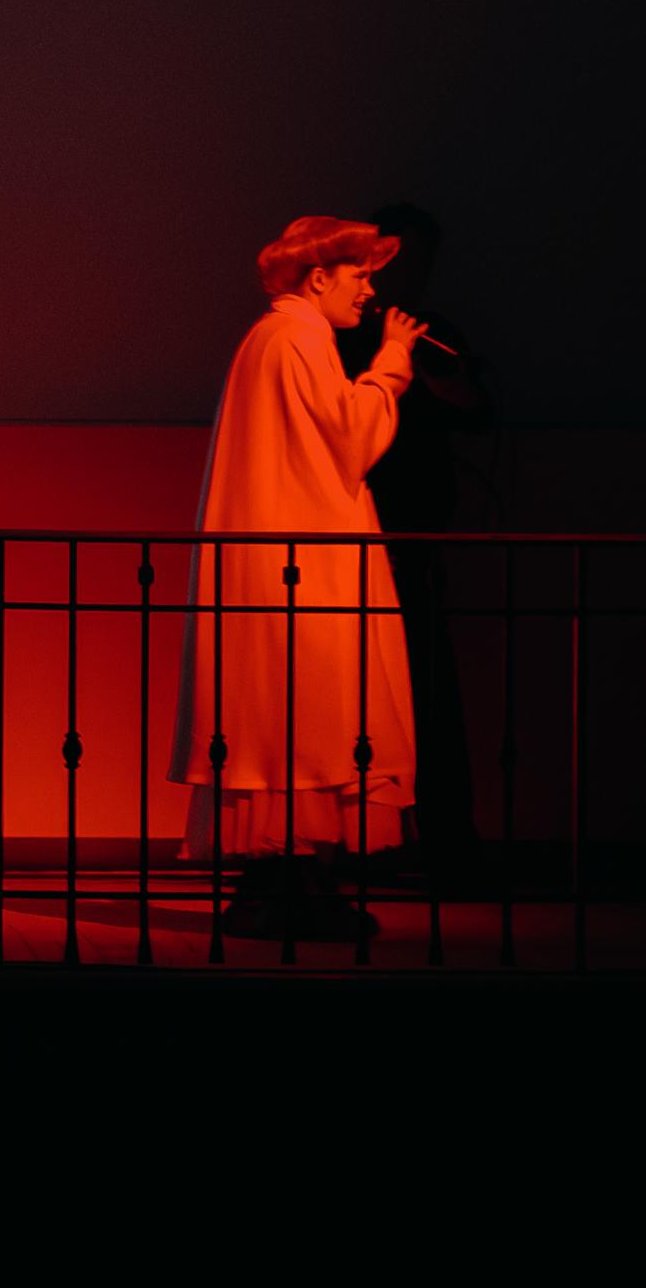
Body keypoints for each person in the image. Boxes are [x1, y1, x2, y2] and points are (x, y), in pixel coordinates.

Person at [170, 214, 422, 932]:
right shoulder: (297, 337)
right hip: (302, 569)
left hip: (289, 561)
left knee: (295, 712)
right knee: (308, 709)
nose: (369, 292)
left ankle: (290, 879)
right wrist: (392, 363)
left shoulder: (278, 337)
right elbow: (351, 436)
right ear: (319, 278)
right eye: (359, 276)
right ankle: (288, 882)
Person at [355, 200, 496, 865]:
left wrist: (450, 389)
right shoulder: (343, 332)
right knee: (360, 683)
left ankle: (444, 836)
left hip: (417, 535)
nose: (410, 272)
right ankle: (361, 836)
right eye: (398, 257)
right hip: (355, 533)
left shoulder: (436, 334)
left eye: (422, 260)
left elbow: (478, 411)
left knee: (428, 681)